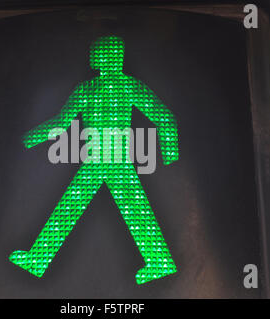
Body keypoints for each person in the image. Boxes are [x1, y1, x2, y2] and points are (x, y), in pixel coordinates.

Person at [9, 35, 179, 284]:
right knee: (100, 209)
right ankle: (38, 259)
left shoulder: (98, 88)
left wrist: (28, 139)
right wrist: (169, 153)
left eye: (96, 52)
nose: (91, 57)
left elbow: (60, 123)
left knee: (78, 208)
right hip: (107, 159)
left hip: (107, 159)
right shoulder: (121, 86)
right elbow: (165, 118)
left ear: (104, 56)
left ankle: (38, 259)